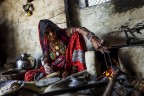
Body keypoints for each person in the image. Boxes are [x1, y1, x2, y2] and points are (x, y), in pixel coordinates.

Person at [24, 19, 108, 81]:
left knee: (77, 35)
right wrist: (46, 64)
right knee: (28, 75)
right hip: (57, 69)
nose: (52, 34)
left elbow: (79, 29)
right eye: (47, 32)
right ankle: (59, 75)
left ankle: (77, 71)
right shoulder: (46, 43)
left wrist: (92, 38)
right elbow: (46, 56)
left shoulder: (63, 33)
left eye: (52, 30)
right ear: (43, 35)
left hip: (70, 65)